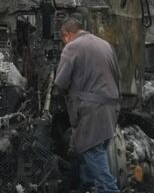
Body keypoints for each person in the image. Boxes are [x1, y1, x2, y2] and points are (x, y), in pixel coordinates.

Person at [54, 18, 120, 192]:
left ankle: (110, 190)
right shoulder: (105, 45)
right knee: (90, 157)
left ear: (66, 35)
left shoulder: (72, 47)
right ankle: (86, 187)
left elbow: (60, 84)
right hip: (111, 107)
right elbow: (116, 75)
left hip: (92, 110)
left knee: (94, 155)